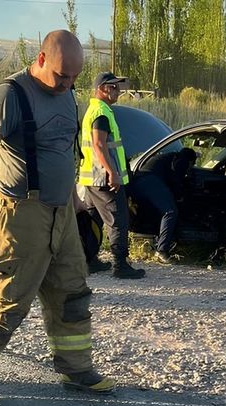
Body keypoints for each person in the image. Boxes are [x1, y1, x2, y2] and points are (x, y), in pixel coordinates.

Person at [0, 30, 115, 406]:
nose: (68, 84)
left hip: (62, 214)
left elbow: (63, 151)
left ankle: (76, 370)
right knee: (6, 302)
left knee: (72, 295)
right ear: (41, 59)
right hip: (19, 217)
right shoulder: (9, 95)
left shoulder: (68, 93)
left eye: (74, 77)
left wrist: (75, 204)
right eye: (62, 76)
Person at [77, 71, 145, 279]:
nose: (118, 91)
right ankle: (120, 265)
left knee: (93, 219)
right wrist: (112, 172)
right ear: (101, 89)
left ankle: (89, 260)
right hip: (104, 179)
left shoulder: (95, 109)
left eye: (118, 87)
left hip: (91, 178)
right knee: (117, 220)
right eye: (113, 87)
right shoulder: (101, 113)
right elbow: (99, 145)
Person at [130, 148, 197, 264]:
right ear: (191, 160)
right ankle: (162, 251)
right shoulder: (182, 160)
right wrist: (179, 196)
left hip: (139, 182)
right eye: (192, 165)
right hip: (151, 181)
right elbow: (176, 179)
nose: (190, 168)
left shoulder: (168, 157)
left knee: (159, 212)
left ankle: (153, 246)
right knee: (170, 212)